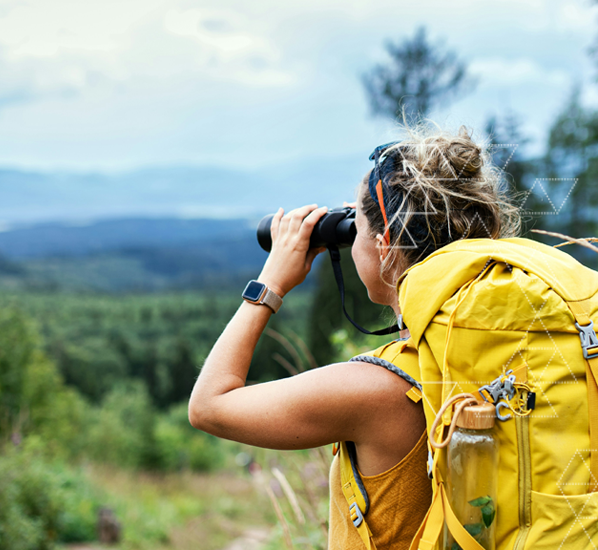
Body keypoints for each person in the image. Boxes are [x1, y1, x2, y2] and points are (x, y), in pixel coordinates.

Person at [189, 124, 520, 550]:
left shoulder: (379, 389)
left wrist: (269, 283)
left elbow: (208, 407)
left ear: (384, 248)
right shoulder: (515, 353)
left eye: (356, 225)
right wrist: (370, 220)